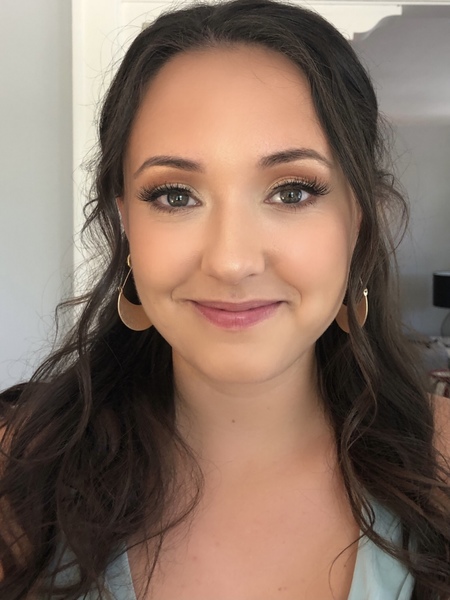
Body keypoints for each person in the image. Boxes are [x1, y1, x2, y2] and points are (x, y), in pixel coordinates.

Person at [1, 0, 450, 598]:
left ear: (359, 220)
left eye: (292, 191)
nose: (232, 262)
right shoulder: (19, 474)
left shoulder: (441, 466)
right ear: (126, 223)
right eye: (175, 196)